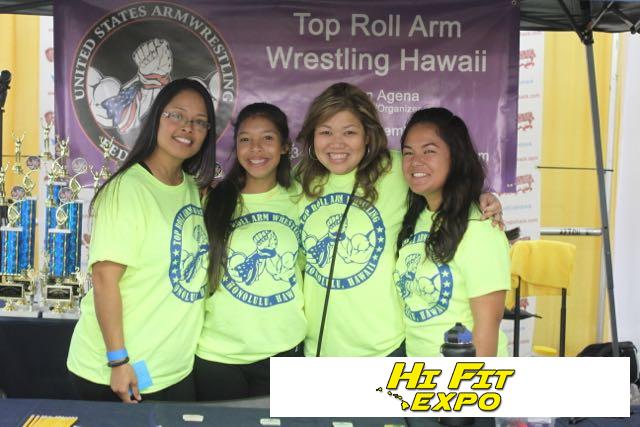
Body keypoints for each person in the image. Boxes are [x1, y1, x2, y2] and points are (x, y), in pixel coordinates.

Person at [295, 82, 502, 357]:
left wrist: (484, 198)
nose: (337, 143)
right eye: (325, 132)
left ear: (368, 136)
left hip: (386, 349)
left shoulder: (397, 169)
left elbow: (446, 181)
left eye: (349, 132)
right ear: (312, 136)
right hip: (317, 350)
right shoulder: (298, 181)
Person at [67, 78, 217, 402]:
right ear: (156, 117)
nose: (187, 127)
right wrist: (118, 360)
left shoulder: (191, 188)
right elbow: (105, 280)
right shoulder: (127, 189)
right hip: (121, 372)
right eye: (177, 115)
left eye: (199, 121)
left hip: (173, 370)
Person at [195, 103, 305, 401]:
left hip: (283, 350)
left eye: (267, 138)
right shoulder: (212, 200)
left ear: (285, 147)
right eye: (245, 139)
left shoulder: (301, 198)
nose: (255, 148)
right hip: (218, 354)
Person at [395, 107, 510, 357]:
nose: (416, 161)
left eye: (429, 151)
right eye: (408, 153)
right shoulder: (416, 217)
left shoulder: (480, 226)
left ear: (455, 157)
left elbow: (487, 327)